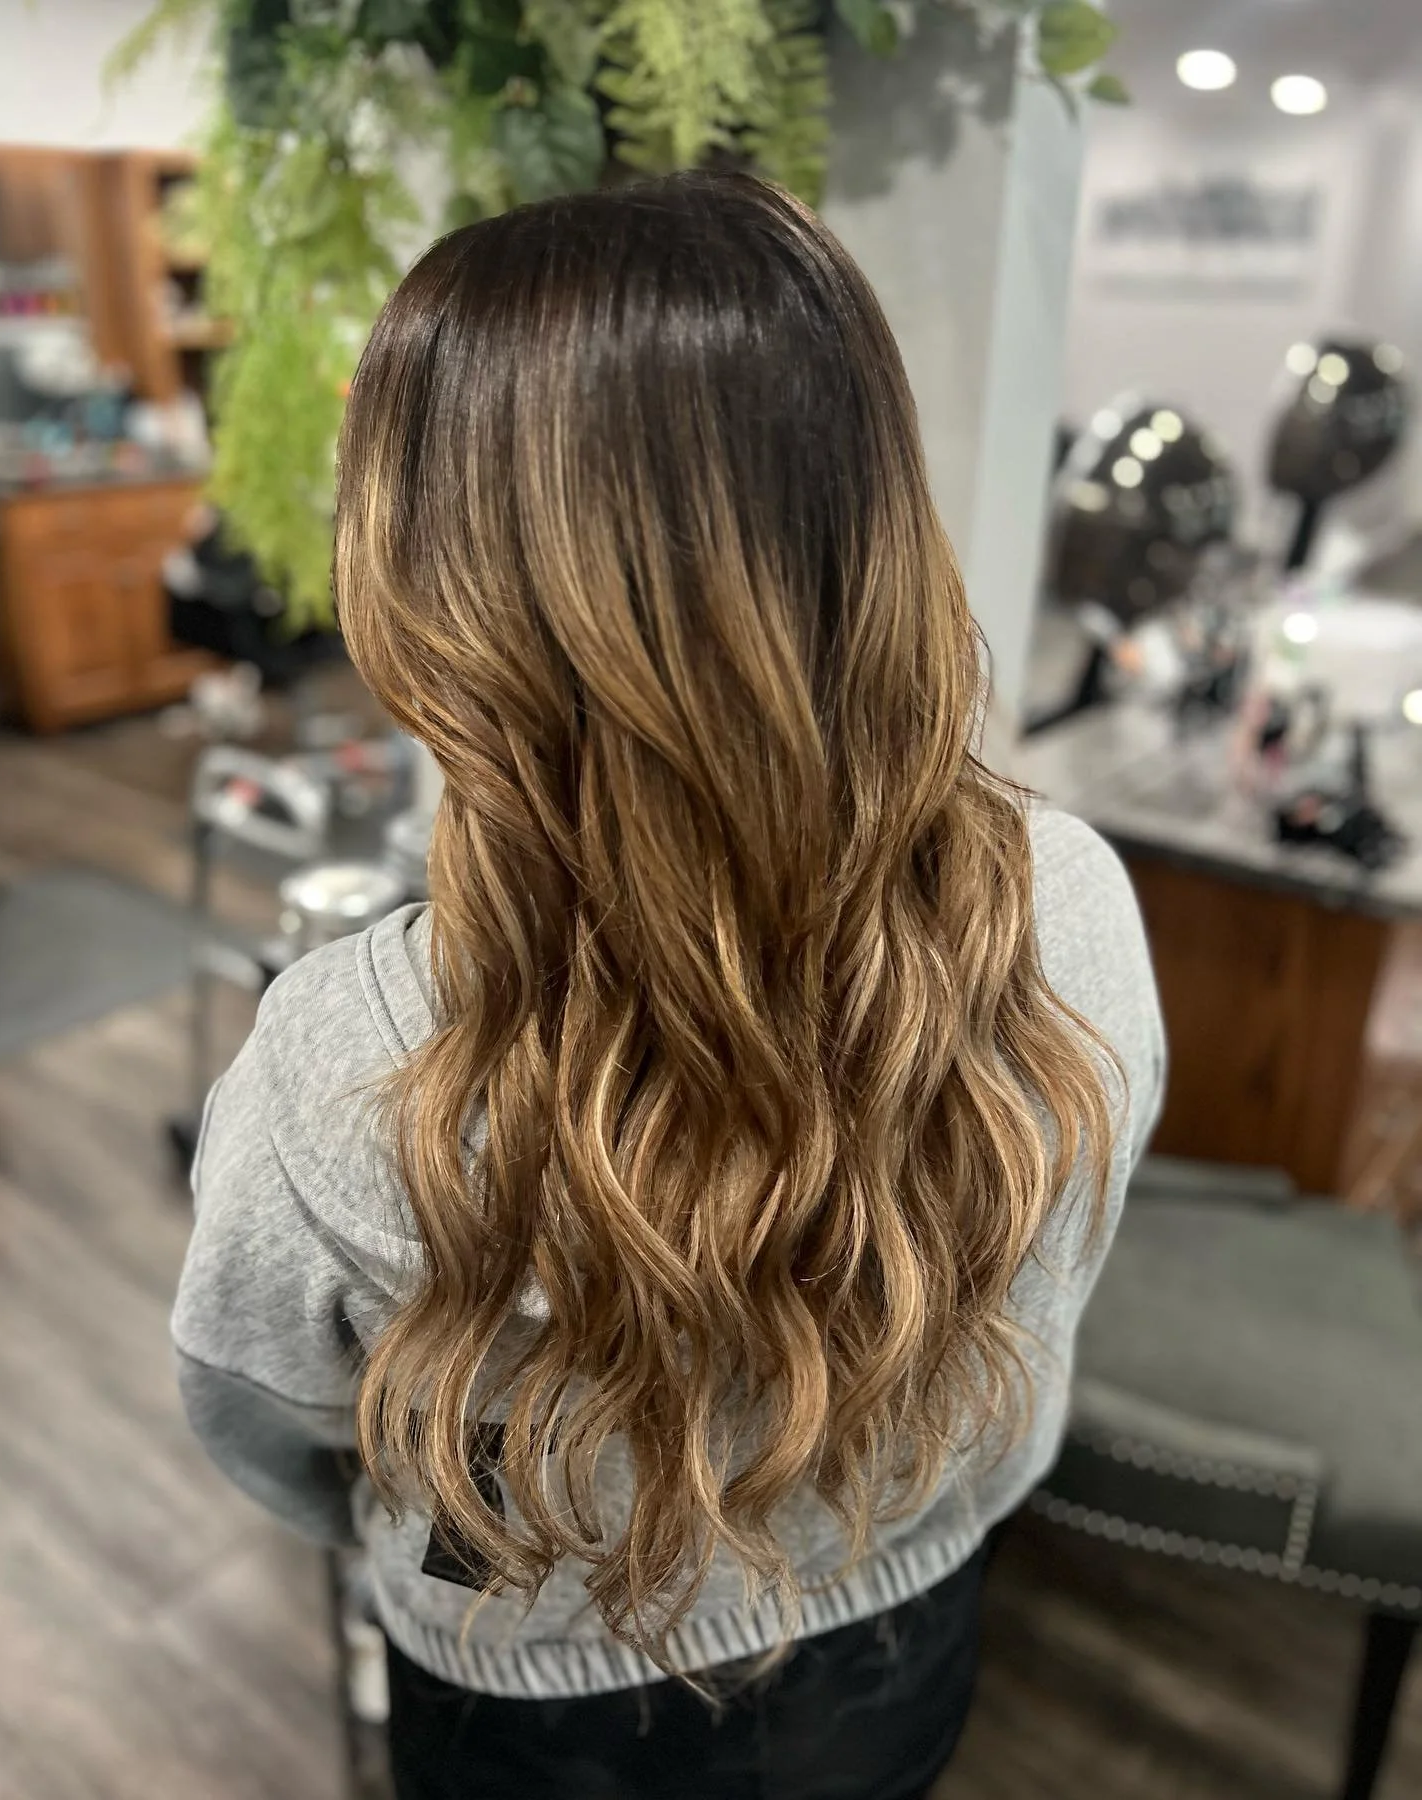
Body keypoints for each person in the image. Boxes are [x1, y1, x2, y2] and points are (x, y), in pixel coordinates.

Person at [173, 171, 1164, 1800]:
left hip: (523, 1688)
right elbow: (1056, 1270)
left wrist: (489, 1510)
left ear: (434, 584)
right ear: (867, 511)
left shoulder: (341, 1058)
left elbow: (267, 1418)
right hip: (907, 1616)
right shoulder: (1073, 906)